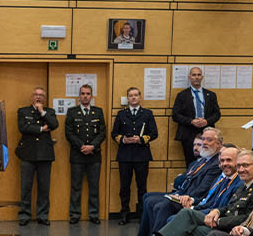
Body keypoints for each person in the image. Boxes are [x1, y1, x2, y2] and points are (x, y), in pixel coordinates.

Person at [134, 147, 242, 236]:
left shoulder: (238, 182)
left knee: (180, 217)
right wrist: (194, 206)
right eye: (222, 161)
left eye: (229, 160)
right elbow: (209, 200)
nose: (224, 164)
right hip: (206, 210)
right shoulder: (224, 178)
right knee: (174, 215)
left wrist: (194, 208)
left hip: (217, 219)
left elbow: (224, 208)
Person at [126, 128, 221, 236]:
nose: (204, 143)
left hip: (192, 199)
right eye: (203, 139)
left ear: (218, 144)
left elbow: (202, 189)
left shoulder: (215, 164)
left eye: (209, 140)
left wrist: (183, 195)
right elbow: (183, 179)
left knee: (160, 205)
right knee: (147, 197)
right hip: (182, 193)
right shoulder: (202, 159)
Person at [112, 86, 157, 224]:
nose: (133, 97)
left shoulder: (147, 114)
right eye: (130, 95)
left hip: (141, 154)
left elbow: (154, 133)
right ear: (127, 98)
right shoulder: (121, 114)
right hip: (125, 155)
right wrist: (124, 139)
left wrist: (141, 139)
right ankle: (124, 213)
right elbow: (114, 133)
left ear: (140, 97)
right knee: (124, 186)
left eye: (136, 95)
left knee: (141, 186)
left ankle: (142, 214)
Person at [16, 86, 59, 225]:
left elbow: (54, 124)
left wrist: (42, 112)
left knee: (44, 188)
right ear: (32, 97)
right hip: (28, 154)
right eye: (36, 95)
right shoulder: (23, 111)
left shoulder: (49, 112)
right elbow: (23, 128)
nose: (38, 97)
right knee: (25, 187)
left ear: (44, 99)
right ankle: (24, 216)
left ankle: (42, 216)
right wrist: (41, 129)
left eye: (41, 95)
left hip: (45, 155)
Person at [64, 83, 106, 224]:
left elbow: (102, 132)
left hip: (94, 156)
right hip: (77, 155)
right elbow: (68, 133)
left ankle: (94, 214)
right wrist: (82, 146)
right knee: (76, 187)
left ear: (91, 96)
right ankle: (75, 214)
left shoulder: (98, 111)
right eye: (83, 93)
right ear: (79, 96)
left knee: (94, 186)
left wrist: (92, 146)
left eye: (88, 93)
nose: (85, 96)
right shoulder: (72, 112)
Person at [171, 66, 220, 164]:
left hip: (207, 132)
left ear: (202, 77)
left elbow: (217, 114)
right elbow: (175, 115)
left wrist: (207, 121)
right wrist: (191, 121)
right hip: (188, 133)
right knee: (191, 162)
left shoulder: (211, 95)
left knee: (208, 161)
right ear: (189, 77)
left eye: (198, 75)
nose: (196, 77)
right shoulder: (182, 95)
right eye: (194, 75)